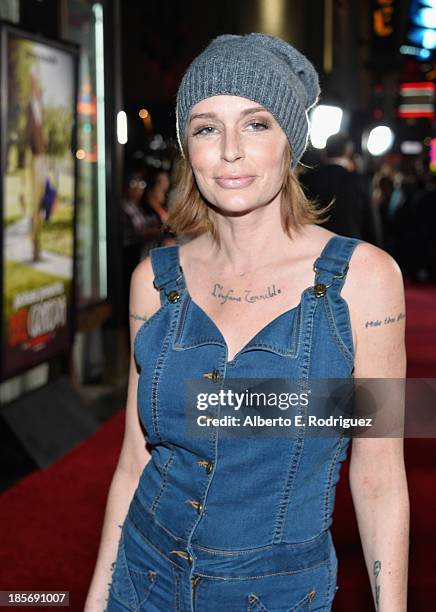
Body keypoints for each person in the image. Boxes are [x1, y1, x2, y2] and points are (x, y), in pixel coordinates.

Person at [85, 33, 409, 612]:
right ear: (189, 147)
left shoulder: (365, 279)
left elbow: (380, 474)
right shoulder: (153, 281)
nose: (230, 150)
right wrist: (96, 599)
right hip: (144, 578)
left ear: (292, 141)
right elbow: (135, 459)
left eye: (257, 124)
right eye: (207, 127)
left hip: (278, 593)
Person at [300, 133, 382, 246]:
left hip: (312, 246)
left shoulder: (306, 179)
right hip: (351, 250)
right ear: (348, 152)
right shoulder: (361, 182)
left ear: (325, 152)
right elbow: (371, 224)